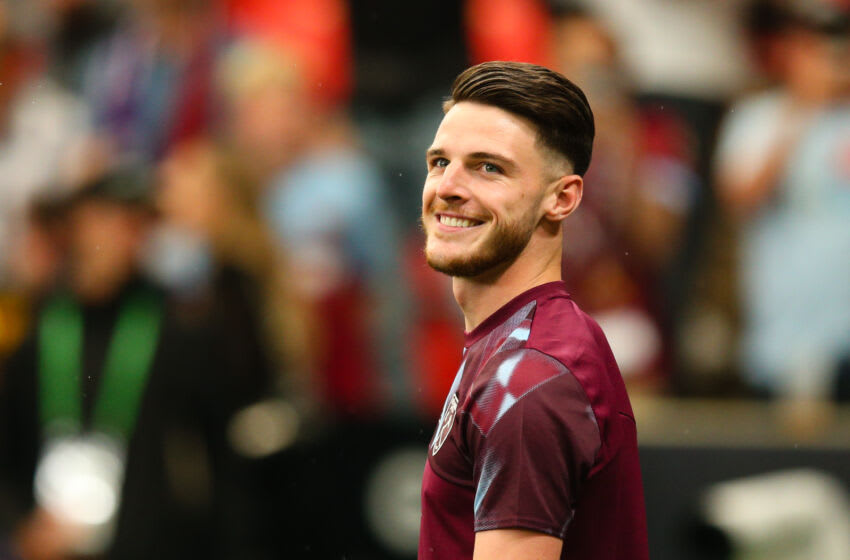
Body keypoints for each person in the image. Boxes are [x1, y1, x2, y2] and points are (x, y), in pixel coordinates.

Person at [418, 61, 648, 559]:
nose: (448, 187)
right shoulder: (528, 343)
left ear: (562, 198)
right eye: (440, 162)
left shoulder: (527, 382)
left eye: (488, 167)